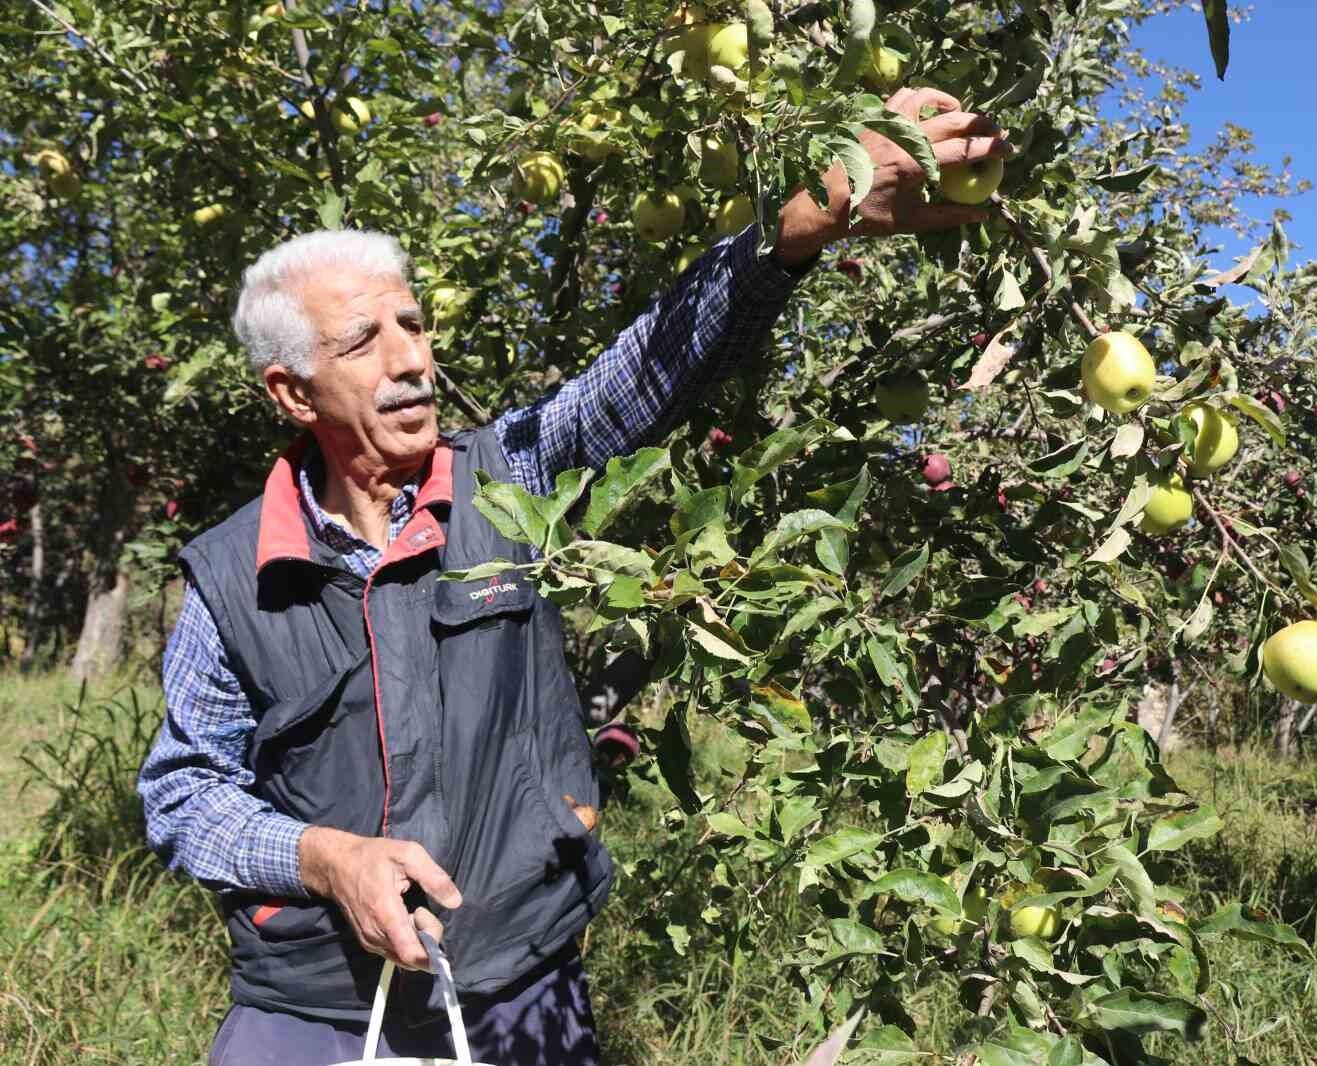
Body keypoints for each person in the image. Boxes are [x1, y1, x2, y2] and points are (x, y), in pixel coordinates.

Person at [136, 87, 1011, 1065]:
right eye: (363, 342)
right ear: (293, 391)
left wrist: (805, 219)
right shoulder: (234, 577)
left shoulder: (504, 481)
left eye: (414, 326)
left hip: (517, 981)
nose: (412, 360)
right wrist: (324, 858)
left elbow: (645, 373)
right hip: (311, 1002)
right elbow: (184, 795)